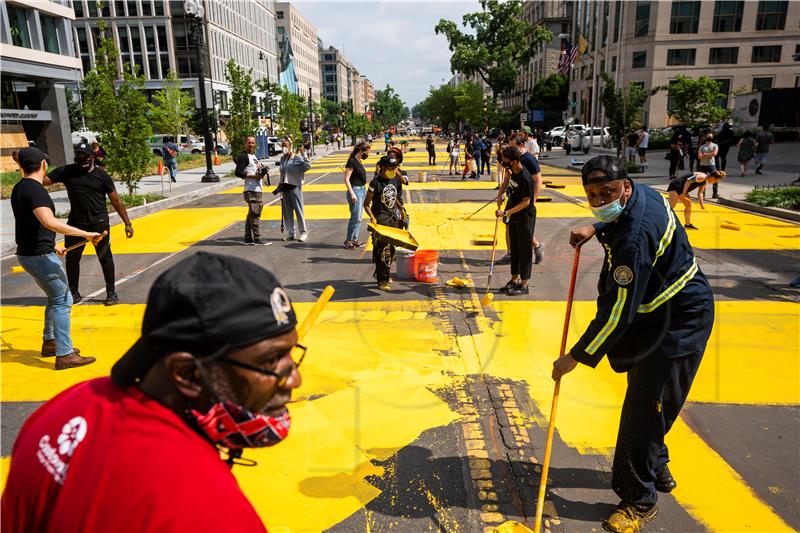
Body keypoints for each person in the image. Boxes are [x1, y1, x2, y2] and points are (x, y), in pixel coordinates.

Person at [1, 252, 304, 532]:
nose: (294, 379)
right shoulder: (211, 511)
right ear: (187, 374)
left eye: (291, 355)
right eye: (270, 360)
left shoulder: (68, 405)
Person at [553, 155, 714, 533]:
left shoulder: (634, 241)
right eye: (591, 195)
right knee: (652, 401)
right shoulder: (645, 196)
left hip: (678, 322)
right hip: (657, 313)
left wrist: (575, 356)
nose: (599, 200)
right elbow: (622, 218)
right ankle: (656, 464)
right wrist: (597, 227)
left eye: (606, 192)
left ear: (624, 185)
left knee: (643, 411)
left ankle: (638, 498)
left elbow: (617, 313)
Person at [10, 147, 101, 369]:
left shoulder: (20, 187)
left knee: (55, 298)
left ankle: (51, 343)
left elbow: (31, 225)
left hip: (32, 253)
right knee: (63, 300)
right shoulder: (36, 191)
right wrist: (85, 233)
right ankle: (65, 353)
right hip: (39, 256)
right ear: (43, 164)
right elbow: (48, 221)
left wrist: (52, 245)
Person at [46, 142, 133, 306]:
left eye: (85, 157)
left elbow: (116, 201)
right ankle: (73, 293)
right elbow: (41, 180)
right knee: (72, 259)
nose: (82, 160)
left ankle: (111, 293)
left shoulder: (102, 176)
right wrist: (25, 167)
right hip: (75, 226)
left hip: (98, 225)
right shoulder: (67, 171)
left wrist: (127, 223)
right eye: (79, 157)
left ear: (92, 157)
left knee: (105, 258)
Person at [495, 146, 535, 296]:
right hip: (514, 214)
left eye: (506, 160)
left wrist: (506, 212)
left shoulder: (525, 177)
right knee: (515, 249)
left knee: (524, 250)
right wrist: (500, 194)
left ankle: (524, 284)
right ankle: (513, 280)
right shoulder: (512, 171)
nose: (504, 163)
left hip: (525, 216)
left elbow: (526, 202)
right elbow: (507, 180)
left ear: (515, 160)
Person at [364, 154, 405, 291]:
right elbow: (366, 204)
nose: (393, 170)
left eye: (395, 167)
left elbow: (394, 196)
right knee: (384, 250)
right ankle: (383, 280)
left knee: (391, 250)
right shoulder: (375, 183)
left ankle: (380, 272)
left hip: (393, 218)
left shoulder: (394, 180)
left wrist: (400, 207)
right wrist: (372, 217)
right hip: (381, 220)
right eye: (390, 168)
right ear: (382, 167)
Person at [234, 136, 266, 245]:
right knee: (256, 214)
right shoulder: (243, 156)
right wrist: (253, 176)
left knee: (251, 214)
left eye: (253, 143)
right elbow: (238, 172)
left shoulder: (253, 156)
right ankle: (257, 238)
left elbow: (256, 169)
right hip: (251, 190)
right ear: (245, 144)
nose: (251, 145)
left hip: (256, 188)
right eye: (249, 143)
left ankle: (248, 238)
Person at [279, 142, 311, 242]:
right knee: (287, 213)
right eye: (283, 146)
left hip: (295, 187)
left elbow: (307, 166)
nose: (284, 148)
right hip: (285, 188)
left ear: (290, 147)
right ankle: (291, 233)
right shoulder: (282, 159)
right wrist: (280, 188)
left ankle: (303, 232)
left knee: (299, 210)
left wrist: (304, 153)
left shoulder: (296, 158)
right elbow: (282, 174)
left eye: (286, 146)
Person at [344, 142, 370, 249]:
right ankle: (349, 240)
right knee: (355, 217)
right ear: (361, 151)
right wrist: (352, 193)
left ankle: (355, 239)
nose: (367, 154)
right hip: (355, 191)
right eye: (367, 152)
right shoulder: (352, 162)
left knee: (359, 217)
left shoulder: (358, 161)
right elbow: (346, 179)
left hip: (362, 190)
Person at [697, 132, 719, 198]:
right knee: (702, 180)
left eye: (711, 137)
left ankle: (715, 193)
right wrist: (709, 154)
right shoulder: (702, 146)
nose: (710, 138)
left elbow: (714, 154)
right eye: (708, 136)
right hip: (702, 165)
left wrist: (705, 154)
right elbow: (699, 157)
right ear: (706, 137)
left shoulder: (715, 145)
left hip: (711, 164)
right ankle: (702, 194)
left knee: (715, 178)